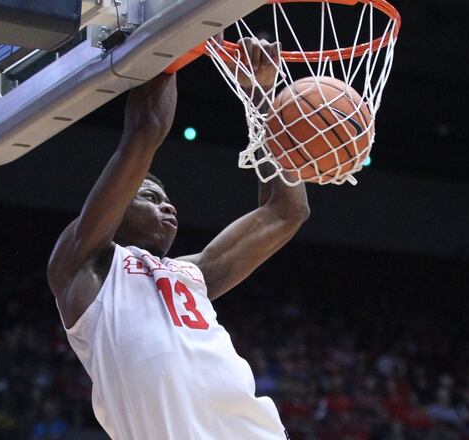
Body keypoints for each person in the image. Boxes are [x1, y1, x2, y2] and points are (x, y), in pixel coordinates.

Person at [46, 37, 309, 439]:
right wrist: (170, 34)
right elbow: (146, 129)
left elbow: (286, 211)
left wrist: (261, 97)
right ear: (115, 209)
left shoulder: (192, 273)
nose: (168, 208)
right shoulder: (84, 265)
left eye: (168, 200)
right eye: (150, 197)